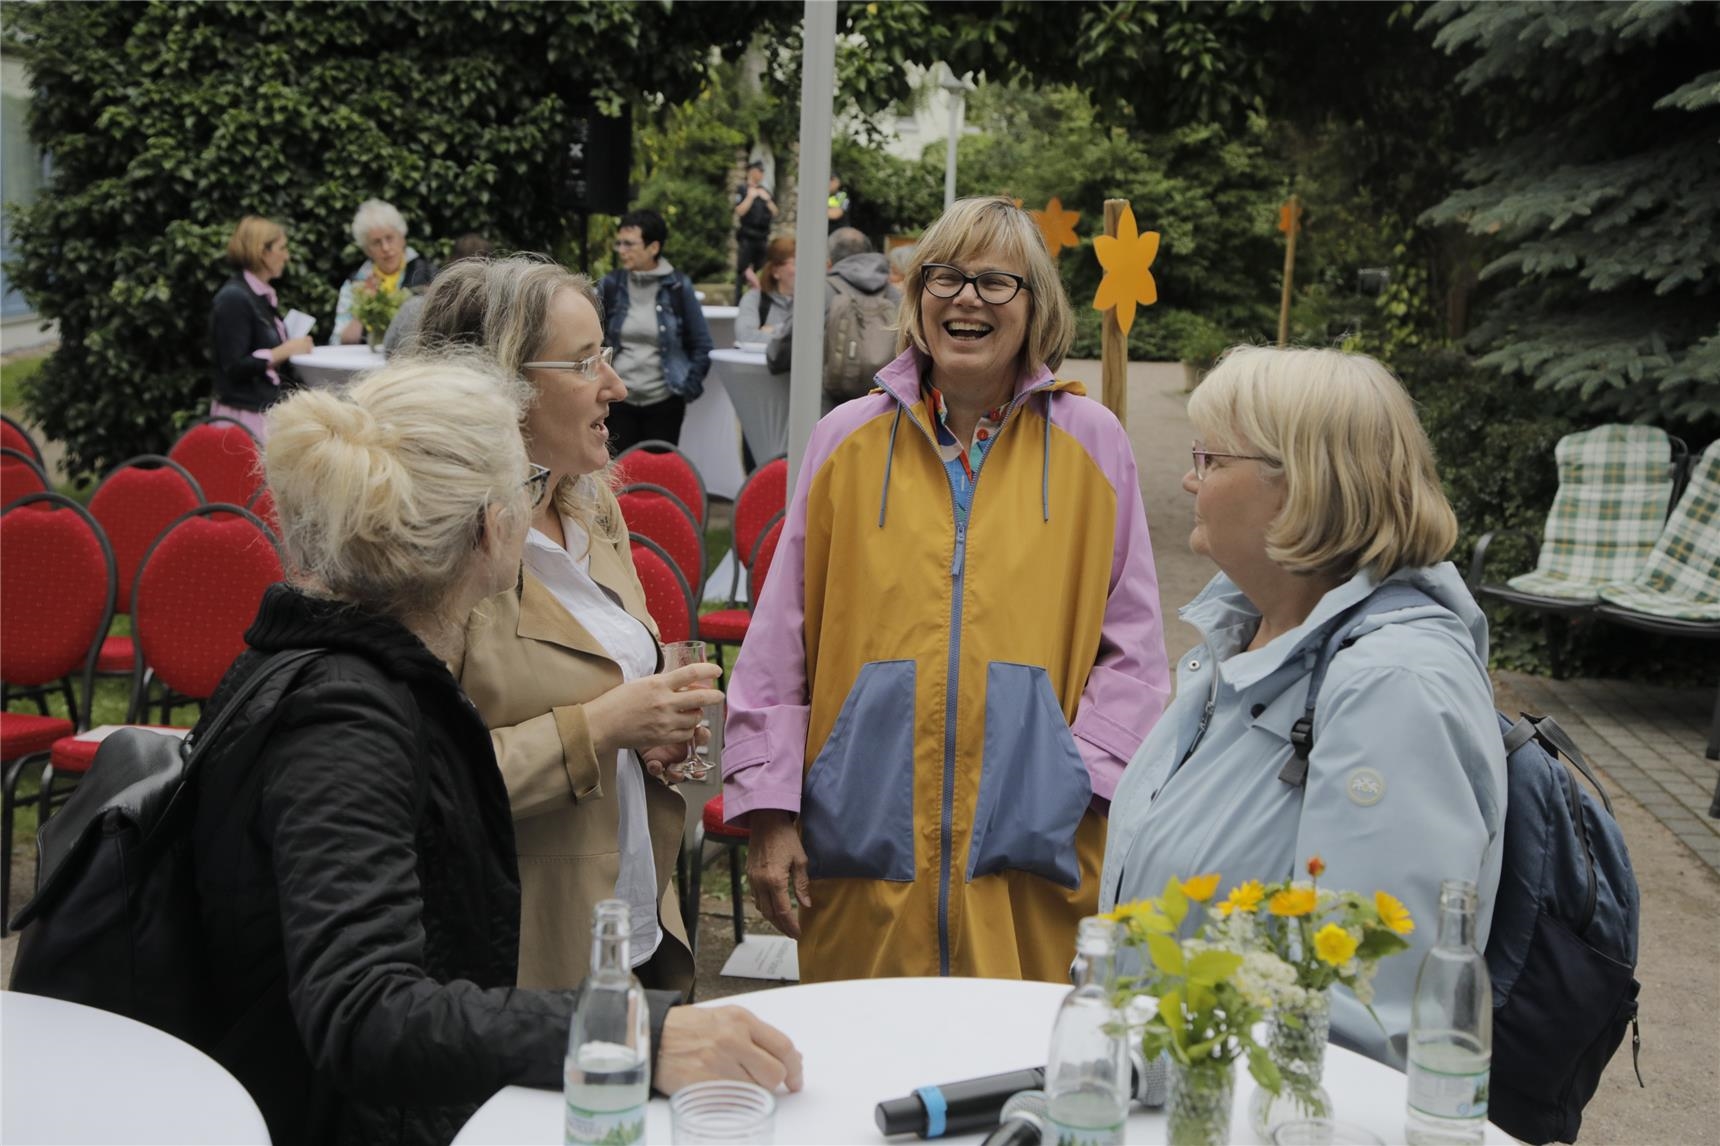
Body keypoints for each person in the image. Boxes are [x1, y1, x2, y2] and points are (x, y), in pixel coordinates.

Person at [191, 357, 800, 1146]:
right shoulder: (344, 716)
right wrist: (629, 1034)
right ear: (486, 528)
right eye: (523, 487)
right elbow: (363, 1010)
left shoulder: (354, 670)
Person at [724, 196, 1171, 983]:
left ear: (1035, 306)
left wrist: (1080, 784)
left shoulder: (1094, 444)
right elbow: (778, 642)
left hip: (1036, 854)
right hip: (864, 850)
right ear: (916, 295)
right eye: (946, 276)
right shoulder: (843, 440)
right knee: (862, 1081)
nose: (967, 298)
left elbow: (1134, 648)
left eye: (997, 282)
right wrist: (769, 808)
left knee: (1021, 1077)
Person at [1098, 345, 1507, 1067]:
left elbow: (1364, 1015)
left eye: (1211, 458)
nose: (1190, 478)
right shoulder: (1252, 630)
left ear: (1301, 485)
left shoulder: (1393, 686)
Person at [412, 255, 724, 995]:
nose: (616, 386)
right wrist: (603, 727)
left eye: (606, 357)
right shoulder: (433, 550)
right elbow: (419, 783)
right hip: (517, 960)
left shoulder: (592, 506)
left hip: (633, 933)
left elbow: (614, 687)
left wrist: (655, 741)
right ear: (503, 385)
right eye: (586, 363)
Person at [598, 209, 713, 452]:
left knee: (659, 477)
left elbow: (702, 344)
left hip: (664, 403)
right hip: (619, 400)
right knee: (617, 476)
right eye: (619, 243)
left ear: (653, 247)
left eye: (629, 244)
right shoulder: (611, 285)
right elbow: (595, 339)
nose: (621, 250)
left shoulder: (678, 287)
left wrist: (684, 391)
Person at [763, 227, 900, 412]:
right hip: (884, 410)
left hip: (828, 411)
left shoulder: (820, 291)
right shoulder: (895, 294)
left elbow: (780, 352)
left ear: (830, 261)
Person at [209, 215, 314, 438]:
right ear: (262, 252)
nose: (286, 256)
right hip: (243, 419)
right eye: (281, 248)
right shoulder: (234, 298)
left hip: (261, 411)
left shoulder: (258, 294)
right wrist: (284, 350)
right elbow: (234, 366)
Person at [332, 198, 437, 345]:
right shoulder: (356, 283)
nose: (386, 248)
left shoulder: (428, 275)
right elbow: (339, 342)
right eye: (376, 242)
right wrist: (364, 306)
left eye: (390, 238)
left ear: (402, 238)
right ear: (367, 250)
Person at [383, 232, 494, 356]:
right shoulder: (499, 311)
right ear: (491, 265)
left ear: (451, 261)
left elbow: (388, 350)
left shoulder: (415, 306)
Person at [734, 235, 796, 347]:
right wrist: (790, 336)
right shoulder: (754, 299)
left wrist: (775, 329)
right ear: (776, 271)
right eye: (795, 263)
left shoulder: (811, 303)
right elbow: (745, 336)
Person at [733, 159, 778, 296]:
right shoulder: (743, 189)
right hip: (747, 236)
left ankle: (762, 297)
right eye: (760, 171)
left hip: (762, 236)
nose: (762, 174)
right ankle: (739, 300)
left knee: (763, 269)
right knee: (743, 269)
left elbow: (776, 212)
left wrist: (767, 200)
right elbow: (739, 211)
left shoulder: (764, 191)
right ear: (752, 172)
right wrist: (750, 197)